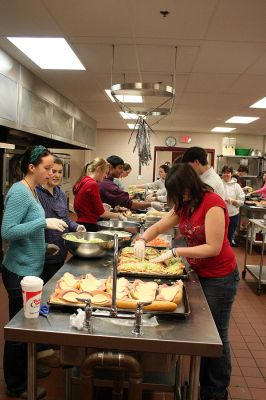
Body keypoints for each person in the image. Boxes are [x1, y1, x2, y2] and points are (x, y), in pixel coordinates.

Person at [134, 163, 239, 400]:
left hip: (221, 276)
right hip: (200, 272)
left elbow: (213, 248)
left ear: (189, 185)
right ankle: (203, 383)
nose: (179, 198)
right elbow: (161, 224)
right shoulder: (184, 203)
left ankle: (215, 391)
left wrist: (176, 252)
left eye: (180, 192)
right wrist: (142, 238)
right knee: (203, 332)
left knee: (216, 335)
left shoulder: (212, 203)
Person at [1, 145, 68, 399]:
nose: (52, 173)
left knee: (31, 322)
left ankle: (27, 367)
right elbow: (7, 232)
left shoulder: (33, 192)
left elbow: (26, 230)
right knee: (18, 329)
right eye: (47, 168)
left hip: (31, 266)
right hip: (18, 271)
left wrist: (43, 246)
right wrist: (43, 222)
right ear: (32, 168)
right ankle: (16, 385)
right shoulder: (20, 191)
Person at [36, 157, 86, 284]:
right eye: (53, 171)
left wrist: (76, 227)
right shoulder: (36, 194)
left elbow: (66, 219)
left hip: (61, 252)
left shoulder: (61, 194)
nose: (57, 175)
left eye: (60, 172)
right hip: (44, 254)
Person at [73, 158, 126, 231]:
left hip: (80, 223)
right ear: (99, 169)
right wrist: (118, 215)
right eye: (105, 172)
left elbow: (84, 204)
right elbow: (101, 213)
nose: (106, 176)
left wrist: (100, 205)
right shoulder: (92, 184)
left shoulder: (84, 180)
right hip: (89, 225)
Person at [221, 165, 245, 247]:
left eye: (228, 173)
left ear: (231, 174)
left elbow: (241, 201)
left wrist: (232, 201)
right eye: (224, 173)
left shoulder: (236, 186)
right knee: (219, 236)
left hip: (232, 215)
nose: (225, 174)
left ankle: (227, 255)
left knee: (229, 236)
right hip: (220, 215)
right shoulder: (219, 184)